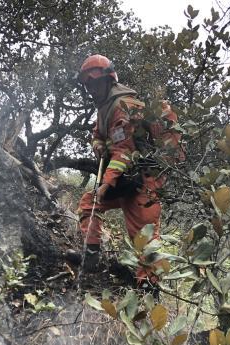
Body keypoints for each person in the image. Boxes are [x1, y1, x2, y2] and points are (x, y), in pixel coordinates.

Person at [67, 54, 184, 285]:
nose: (91, 89)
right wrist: (98, 144)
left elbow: (124, 151)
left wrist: (106, 183)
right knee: (89, 204)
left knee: (145, 240)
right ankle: (90, 259)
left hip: (143, 183)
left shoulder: (124, 106)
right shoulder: (105, 107)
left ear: (108, 80)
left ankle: (149, 292)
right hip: (125, 179)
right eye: (88, 85)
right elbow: (98, 132)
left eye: (95, 83)